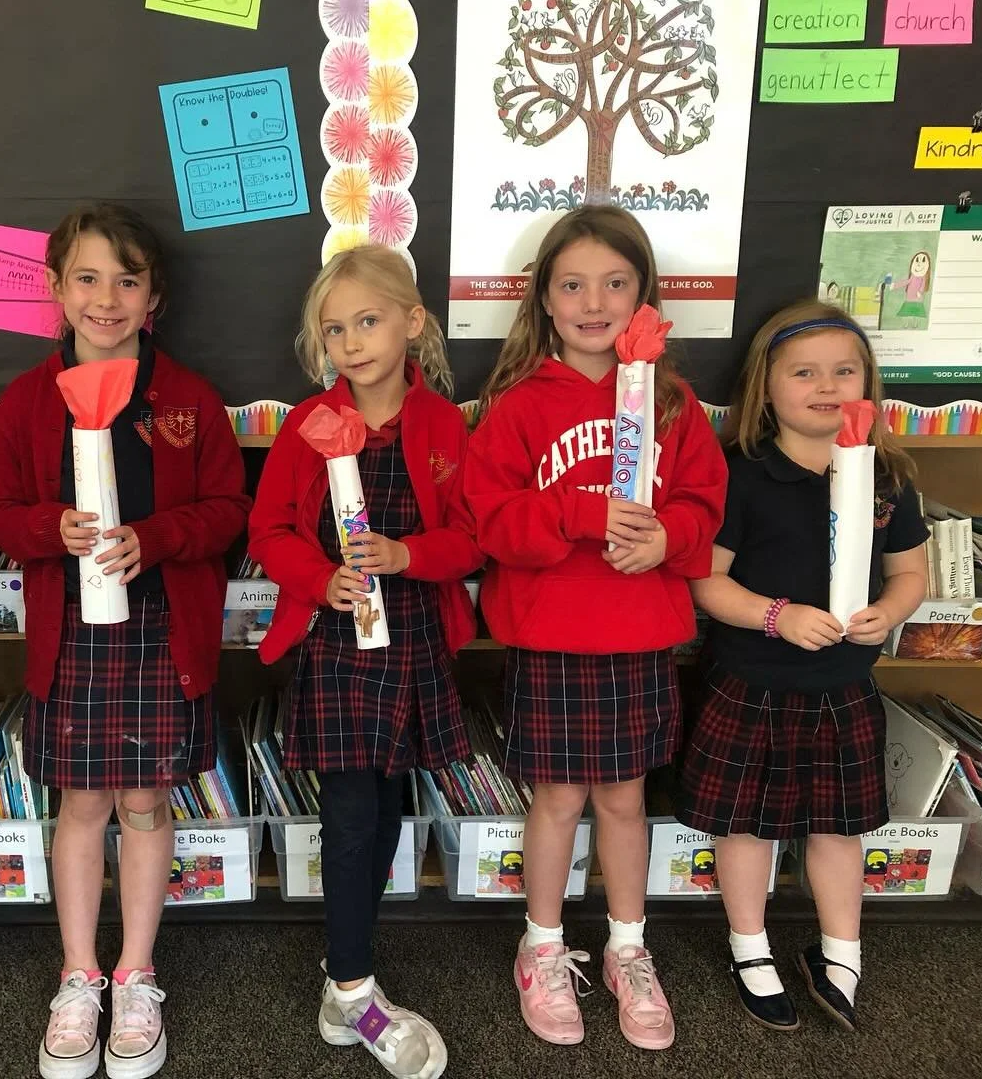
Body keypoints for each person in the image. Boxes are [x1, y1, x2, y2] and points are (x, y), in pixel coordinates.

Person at [0, 203, 249, 1079]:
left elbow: (228, 510)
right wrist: (46, 527)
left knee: (144, 802)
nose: (106, 299)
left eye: (126, 281)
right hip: (73, 635)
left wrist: (156, 537)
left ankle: (135, 973)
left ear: (153, 297)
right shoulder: (27, 400)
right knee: (83, 804)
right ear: (57, 290)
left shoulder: (188, 399)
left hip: (162, 631)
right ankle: (78, 974)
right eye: (87, 279)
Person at [463, 206, 727, 1051]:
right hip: (551, 635)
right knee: (558, 798)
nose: (593, 301)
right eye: (572, 284)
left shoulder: (674, 406)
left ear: (644, 296)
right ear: (544, 298)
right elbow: (491, 520)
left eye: (615, 283)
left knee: (624, 797)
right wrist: (582, 514)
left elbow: (703, 506)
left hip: (637, 636)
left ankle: (626, 947)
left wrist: (666, 537)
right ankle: (541, 947)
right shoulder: (516, 407)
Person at [249, 245, 482, 1079]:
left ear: (413, 323)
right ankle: (352, 986)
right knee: (351, 815)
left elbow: (472, 537)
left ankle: (343, 969)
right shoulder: (306, 426)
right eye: (334, 330)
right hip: (339, 641)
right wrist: (322, 580)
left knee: (385, 810)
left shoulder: (444, 425)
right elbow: (268, 530)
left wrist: (407, 554)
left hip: (413, 635)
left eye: (369, 321)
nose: (351, 342)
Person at [675, 299, 928, 1033]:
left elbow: (910, 573)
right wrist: (775, 615)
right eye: (805, 373)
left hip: (842, 687)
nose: (827, 386)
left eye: (844, 372)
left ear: (867, 383)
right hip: (751, 683)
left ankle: (840, 950)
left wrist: (890, 610)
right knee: (745, 827)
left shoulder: (887, 477)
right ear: (767, 384)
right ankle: (748, 945)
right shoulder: (741, 475)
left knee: (839, 828)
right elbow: (707, 580)